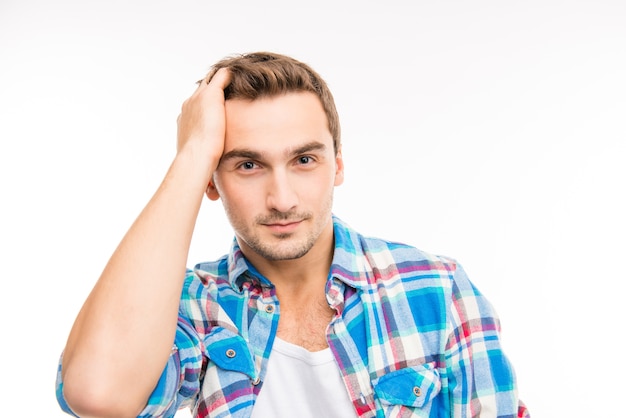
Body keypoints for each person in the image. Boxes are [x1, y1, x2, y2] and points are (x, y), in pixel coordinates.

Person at [56, 51, 529, 418]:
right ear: (211, 182)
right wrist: (191, 156)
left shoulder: (437, 289)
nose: (281, 198)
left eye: (304, 160)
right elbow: (98, 395)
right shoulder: (192, 307)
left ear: (337, 164)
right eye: (247, 164)